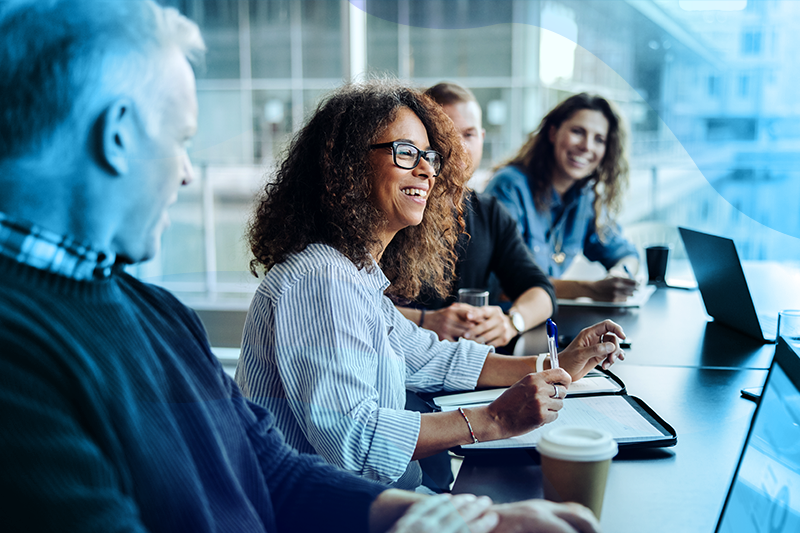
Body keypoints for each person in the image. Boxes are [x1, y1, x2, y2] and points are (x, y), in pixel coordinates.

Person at [0, 2, 604, 532]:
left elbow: (266, 465)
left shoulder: (152, 309)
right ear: (120, 135)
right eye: (182, 138)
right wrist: (492, 422)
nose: (187, 172)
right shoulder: (18, 352)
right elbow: (341, 446)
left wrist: (464, 520)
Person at [237, 78, 627, 492]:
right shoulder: (320, 279)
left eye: (429, 156)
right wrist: (494, 419)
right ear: (346, 166)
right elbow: (355, 442)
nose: (427, 169)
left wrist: (556, 365)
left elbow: (432, 359)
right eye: (406, 153)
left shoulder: (354, 273)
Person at [395, 82, 556, 349]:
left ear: (482, 138)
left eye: (468, 135)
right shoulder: (399, 206)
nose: (458, 147)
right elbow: (355, 302)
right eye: (445, 135)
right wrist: (425, 321)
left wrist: (511, 322)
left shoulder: (489, 212)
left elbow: (541, 291)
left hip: (472, 371)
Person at [485, 93, 639, 302]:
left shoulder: (585, 197)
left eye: (599, 139)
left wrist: (620, 275)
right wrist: (591, 289)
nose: (587, 146)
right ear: (552, 133)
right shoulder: (510, 187)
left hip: (548, 320)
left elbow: (625, 253)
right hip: (505, 322)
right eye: (578, 132)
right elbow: (505, 285)